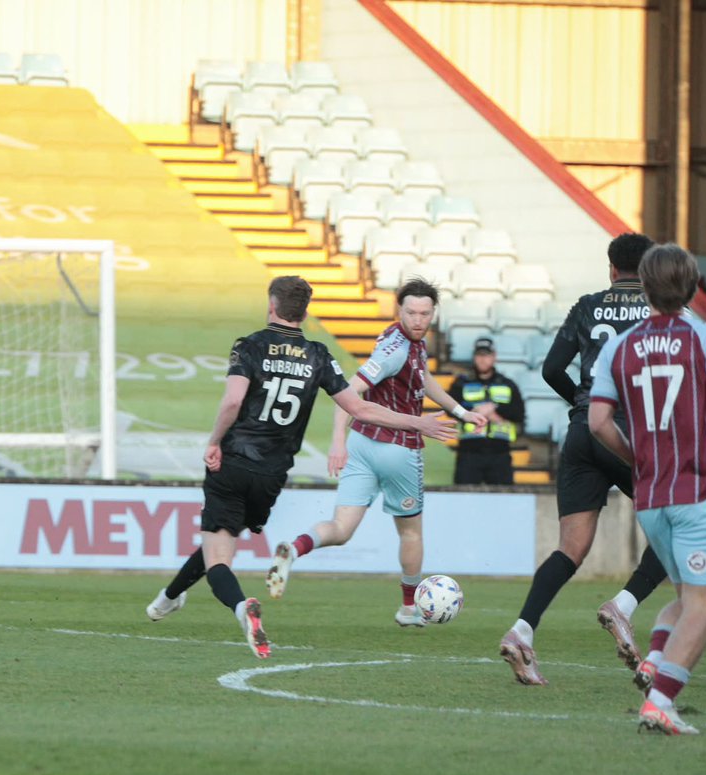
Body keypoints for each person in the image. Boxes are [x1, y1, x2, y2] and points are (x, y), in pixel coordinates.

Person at [145, 276, 457, 658]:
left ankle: (243, 609)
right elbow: (359, 408)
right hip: (272, 475)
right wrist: (417, 421)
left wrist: (213, 442)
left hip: (234, 459)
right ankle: (168, 598)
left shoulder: (250, 346)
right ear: (306, 312)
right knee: (220, 533)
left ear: (271, 307)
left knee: (218, 557)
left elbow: (231, 403)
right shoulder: (319, 355)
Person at [263, 279, 487, 625]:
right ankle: (409, 608)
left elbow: (424, 378)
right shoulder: (395, 351)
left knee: (341, 528)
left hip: (363, 445)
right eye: (411, 312)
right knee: (411, 532)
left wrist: (461, 412)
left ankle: (294, 548)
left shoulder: (403, 340)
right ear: (399, 310)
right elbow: (349, 391)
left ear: (433, 314)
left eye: (424, 313)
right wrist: (337, 439)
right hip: (397, 450)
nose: (417, 319)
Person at [499, 233, 668, 685]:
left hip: (582, 432)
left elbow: (552, 367)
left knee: (570, 549)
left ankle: (522, 631)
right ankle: (624, 605)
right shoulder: (661, 307)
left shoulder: (587, 306)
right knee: (678, 526)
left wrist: (582, 402)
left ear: (611, 268)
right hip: (631, 433)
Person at [588, 243, 706, 735]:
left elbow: (598, 420)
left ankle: (653, 666)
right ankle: (661, 702)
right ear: (693, 288)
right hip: (697, 491)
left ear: (643, 287)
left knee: (688, 595)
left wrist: (637, 458)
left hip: (649, 495)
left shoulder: (619, 346)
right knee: (705, 605)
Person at [446, 337, 525, 485]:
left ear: (494, 357)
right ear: (474, 357)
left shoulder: (508, 384)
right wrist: (474, 412)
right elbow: (451, 409)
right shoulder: (461, 383)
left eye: (486, 355)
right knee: (463, 500)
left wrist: (494, 408)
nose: (482, 360)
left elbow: (519, 413)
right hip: (469, 451)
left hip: (500, 452)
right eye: (479, 355)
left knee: (503, 500)